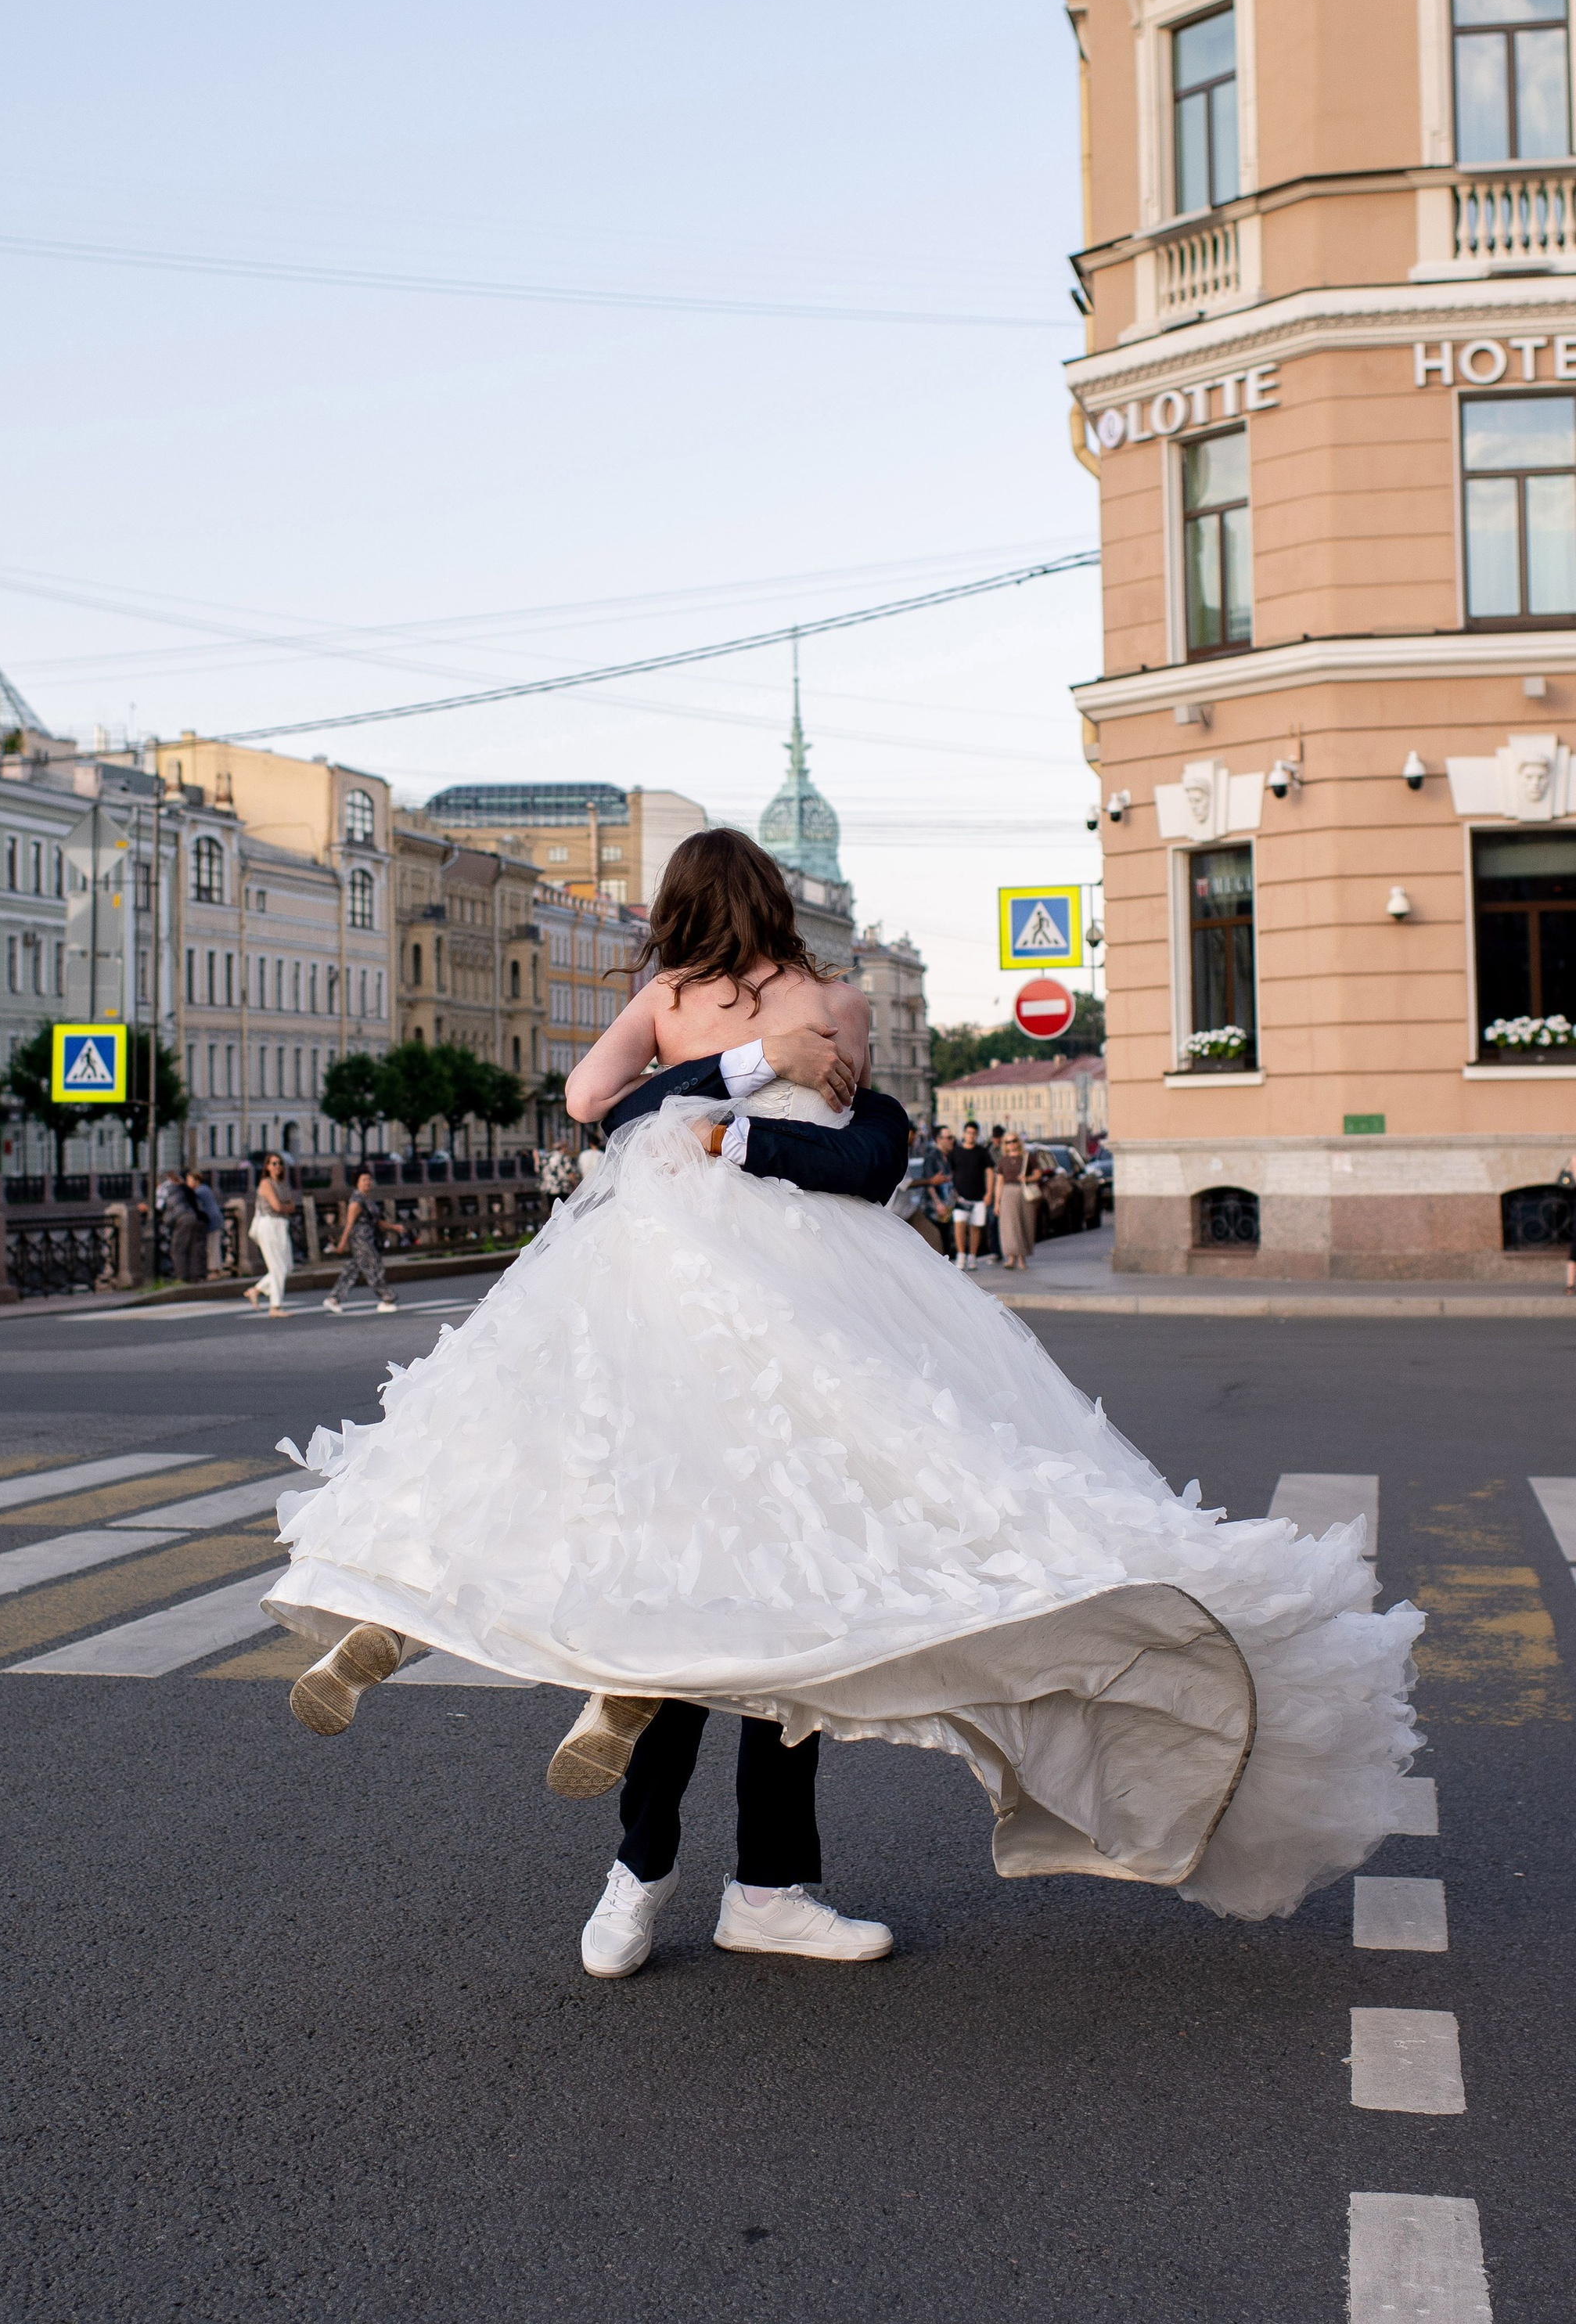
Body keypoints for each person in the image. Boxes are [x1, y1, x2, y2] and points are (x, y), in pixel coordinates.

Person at [267, 825, 1422, 1986]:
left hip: (675, 1311)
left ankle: (634, 1852)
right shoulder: (824, 1000)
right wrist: (756, 1064)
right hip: (786, 1312)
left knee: (698, 1577)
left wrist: (724, 1112)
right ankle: (737, 1877)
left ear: (677, 908)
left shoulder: (673, 997)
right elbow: (737, 1133)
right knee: (783, 1589)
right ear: (776, 901)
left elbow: (663, 1115)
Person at [322, 1168, 398, 1316]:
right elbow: (349, 1224)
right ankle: (387, 1298)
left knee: (353, 1269)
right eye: (364, 1180)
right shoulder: (356, 1201)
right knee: (374, 1268)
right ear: (357, 1183)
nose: (367, 1183)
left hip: (370, 1238)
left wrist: (394, 1227)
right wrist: (342, 1243)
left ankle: (334, 1298)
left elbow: (377, 1221)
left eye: (369, 1179)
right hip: (361, 1240)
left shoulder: (367, 1199)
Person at [244, 1151, 297, 1314]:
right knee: (277, 1267)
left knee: (287, 1267)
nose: (278, 1167)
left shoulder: (282, 1184)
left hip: (281, 1225)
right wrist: (285, 1207)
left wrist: (286, 1207)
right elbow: (278, 1207)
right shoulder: (266, 1183)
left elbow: (291, 1206)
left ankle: (256, 1290)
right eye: (274, 1163)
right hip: (269, 1225)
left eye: (280, 1163)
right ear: (267, 1167)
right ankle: (275, 1306)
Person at [948, 1120, 992, 1269]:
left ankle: (972, 1257)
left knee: (975, 1227)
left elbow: (989, 1171)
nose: (971, 1136)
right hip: (961, 1196)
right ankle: (961, 1255)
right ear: (964, 1134)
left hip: (979, 1196)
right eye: (968, 1133)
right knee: (959, 1226)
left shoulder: (982, 1152)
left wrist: (989, 1193)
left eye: (974, 1133)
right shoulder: (957, 1151)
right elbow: (951, 1172)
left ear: (977, 1135)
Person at [993, 1126, 1034, 1274]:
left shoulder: (1027, 1157)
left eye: (1014, 1141)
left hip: (1023, 1193)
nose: (1011, 1144)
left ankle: (1022, 1258)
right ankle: (1011, 1258)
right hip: (1007, 1193)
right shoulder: (1003, 1161)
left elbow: (1038, 1173)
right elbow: (999, 1182)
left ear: (1019, 1142)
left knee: (1024, 1224)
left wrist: (1028, 1178)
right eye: (1008, 1142)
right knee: (1009, 1226)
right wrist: (997, 1202)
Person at [159, 1169, 207, 1285]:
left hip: (181, 1219)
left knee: (178, 1249)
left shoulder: (164, 1188)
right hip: (195, 1217)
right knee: (194, 1248)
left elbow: (160, 1206)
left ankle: (181, 1278)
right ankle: (196, 1276)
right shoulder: (182, 1187)